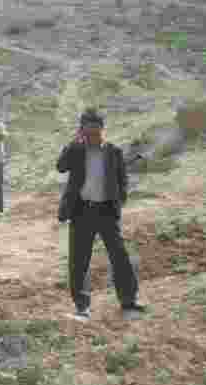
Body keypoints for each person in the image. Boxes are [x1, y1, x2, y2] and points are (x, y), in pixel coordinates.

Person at [57, 108, 147, 321]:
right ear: (81, 131)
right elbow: (61, 166)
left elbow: (121, 180)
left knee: (120, 256)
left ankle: (129, 302)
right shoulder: (76, 151)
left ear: (102, 130)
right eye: (87, 132)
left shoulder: (113, 152)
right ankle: (82, 307)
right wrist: (73, 142)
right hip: (81, 211)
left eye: (95, 131)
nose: (92, 136)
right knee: (79, 261)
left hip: (107, 211)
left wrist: (119, 202)